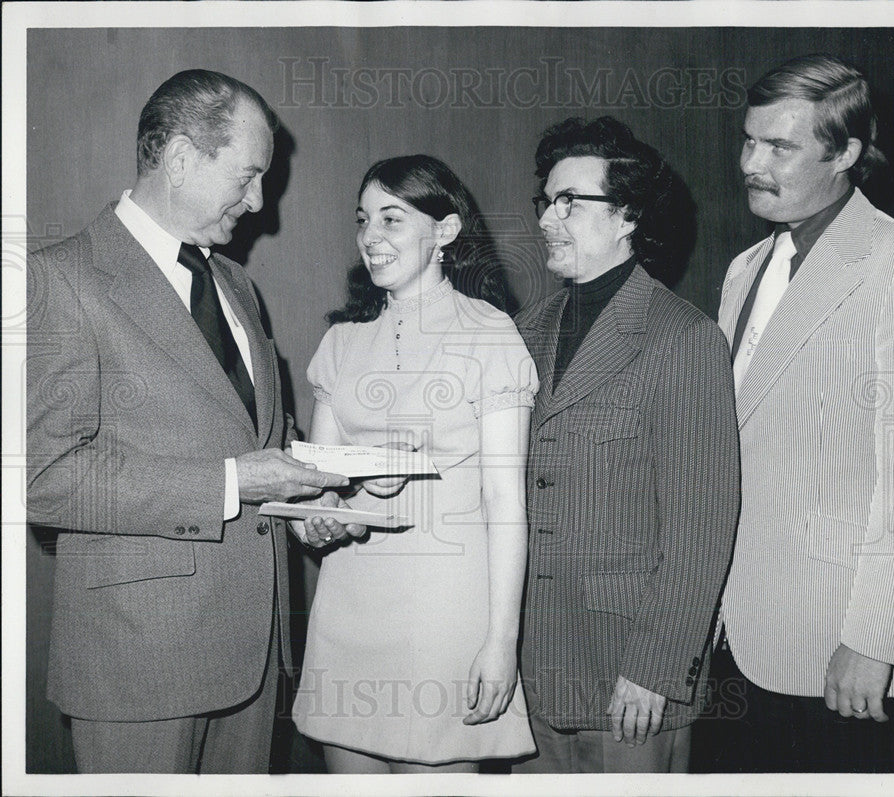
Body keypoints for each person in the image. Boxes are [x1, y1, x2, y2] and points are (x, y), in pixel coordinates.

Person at [25, 69, 361, 774]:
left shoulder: (238, 283)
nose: (260, 201)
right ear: (179, 159)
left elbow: (260, 442)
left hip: (254, 659)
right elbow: (45, 478)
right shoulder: (61, 278)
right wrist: (232, 481)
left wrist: (307, 504)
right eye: (248, 175)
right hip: (139, 667)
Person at [715, 54, 894, 772]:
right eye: (748, 140)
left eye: (780, 147)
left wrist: (877, 638)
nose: (751, 163)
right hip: (751, 642)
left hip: (854, 653)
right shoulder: (745, 268)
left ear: (847, 153)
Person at [291, 155, 538, 773]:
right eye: (363, 219)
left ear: (445, 232)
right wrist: (317, 519)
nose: (371, 236)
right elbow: (320, 488)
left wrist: (500, 642)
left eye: (392, 219)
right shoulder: (340, 343)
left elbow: (506, 503)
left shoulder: (490, 335)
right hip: (348, 608)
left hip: (444, 613)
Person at [510, 116, 741, 774]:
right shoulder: (526, 331)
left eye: (569, 202)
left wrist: (657, 668)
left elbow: (702, 527)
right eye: (546, 201)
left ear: (629, 215)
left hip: (629, 675)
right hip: (535, 668)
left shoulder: (684, 338)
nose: (549, 218)